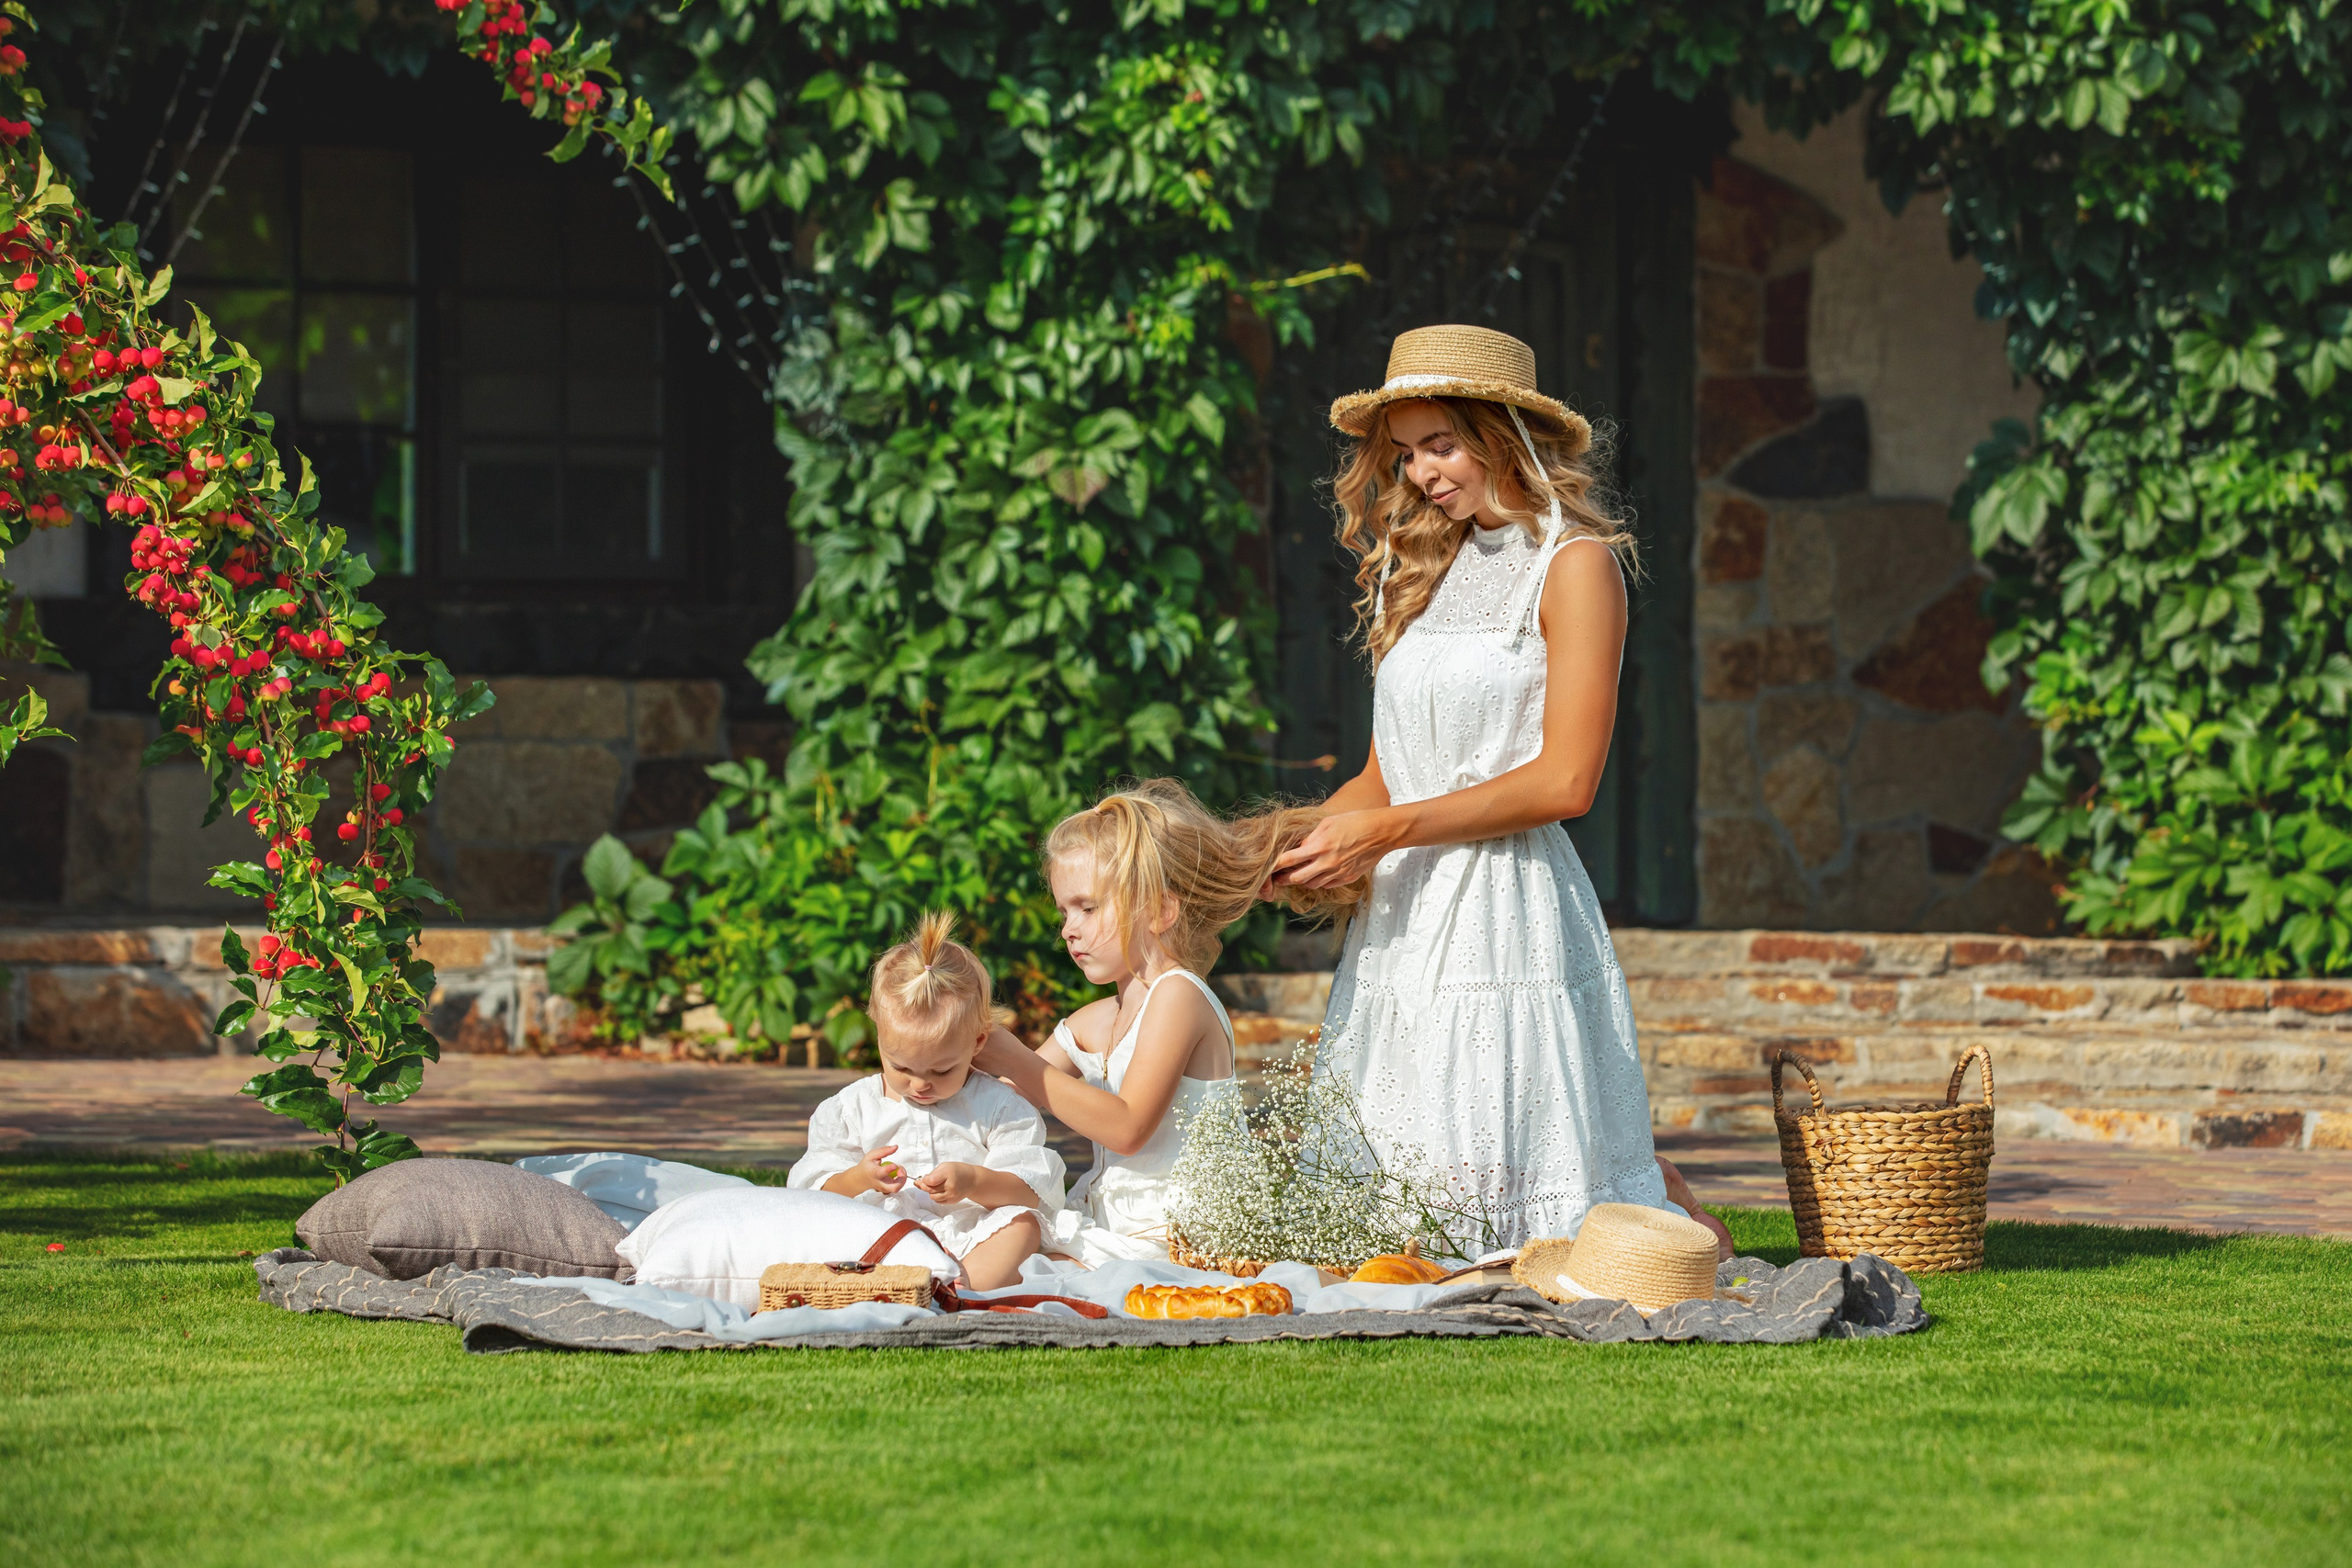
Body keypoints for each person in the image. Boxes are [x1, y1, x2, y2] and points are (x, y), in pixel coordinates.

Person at [1272, 323, 1733, 1260]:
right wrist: (1284, 848)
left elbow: (1567, 780)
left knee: (1512, 1215)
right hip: (1405, 906)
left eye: (1440, 444)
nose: (1422, 474)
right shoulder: (1420, 570)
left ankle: (1669, 1222)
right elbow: (1384, 772)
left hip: (1503, 901)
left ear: (1502, 432)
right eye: (1406, 454)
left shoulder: (1576, 566)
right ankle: (1660, 1205)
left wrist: (1388, 831)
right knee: (1390, 1223)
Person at [979, 781, 1320, 1267]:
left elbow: (1128, 1126)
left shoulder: (1178, 996)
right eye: (1063, 910)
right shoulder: (1097, 1020)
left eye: (1088, 907)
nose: (1068, 928)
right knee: (989, 1236)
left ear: (1160, 910)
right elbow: (1001, 1098)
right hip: (1114, 1227)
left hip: (1176, 1237)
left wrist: (1016, 1059)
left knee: (1012, 1261)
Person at [786, 912, 1065, 1290]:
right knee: (820, 1226)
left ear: (978, 1043)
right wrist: (858, 1177)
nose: (920, 1085)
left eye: (941, 1071)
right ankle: (889, 1285)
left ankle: (959, 1290)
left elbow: (1032, 1189)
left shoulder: (999, 1108)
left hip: (970, 1238)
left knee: (1022, 1225)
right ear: (878, 1034)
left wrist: (974, 1181)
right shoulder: (850, 1110)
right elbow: (808, 1192)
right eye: (900, 1066)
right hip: (880, 1236)